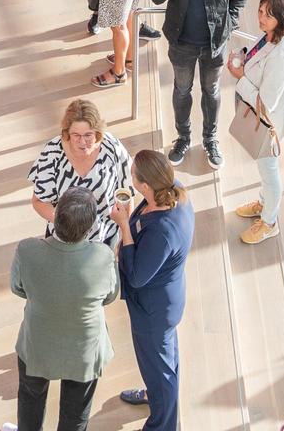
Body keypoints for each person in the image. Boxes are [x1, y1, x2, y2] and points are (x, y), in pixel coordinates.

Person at [10, 187, 119, 431]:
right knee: (76, 414)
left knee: (30, 400)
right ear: (90, 229)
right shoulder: (103, 256)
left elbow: (18, 288)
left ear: (55, 217)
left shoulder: (27, 250)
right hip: (84, 351)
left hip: (37, 345)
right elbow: (110, 296)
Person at [148, 0, 250, 167]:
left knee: (211, 90)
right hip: (181, 42)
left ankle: (210, 139)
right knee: (182, 90)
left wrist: (229, 21)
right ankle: (183, 138)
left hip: (213, 44)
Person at [116, 150, 194, 430]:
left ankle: (163, 423)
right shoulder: (175, 191)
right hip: (166, 302)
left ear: (146, 186)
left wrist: (124, 226)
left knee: (160, 370)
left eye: (133, 173)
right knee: (165, 362)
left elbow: (137, 276)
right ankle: (157, 395)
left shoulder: (162, 231)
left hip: (153, 311)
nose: (130, 176)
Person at [227, 0, 284, 246]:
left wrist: (239, 76)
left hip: (268, 123)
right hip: (258, 116)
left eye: (267, 15)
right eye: (260, 11)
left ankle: (269, 222)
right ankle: (263, 202)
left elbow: (266, 102)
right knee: (263, 168)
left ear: (280, 18)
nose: (260, 18)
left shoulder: (283, 54)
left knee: (269, 171)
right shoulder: (272, 36)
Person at [29, 99, 132, 248]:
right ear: (67, 133)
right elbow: (38, 201)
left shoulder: (112, 147)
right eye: (76, 135)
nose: (82, 142)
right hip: (62, 239)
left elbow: (127, 193)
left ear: (97, 132)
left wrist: (124, 236)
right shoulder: (52, 152)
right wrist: (65, 225)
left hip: (104, 238)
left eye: (88, 135)